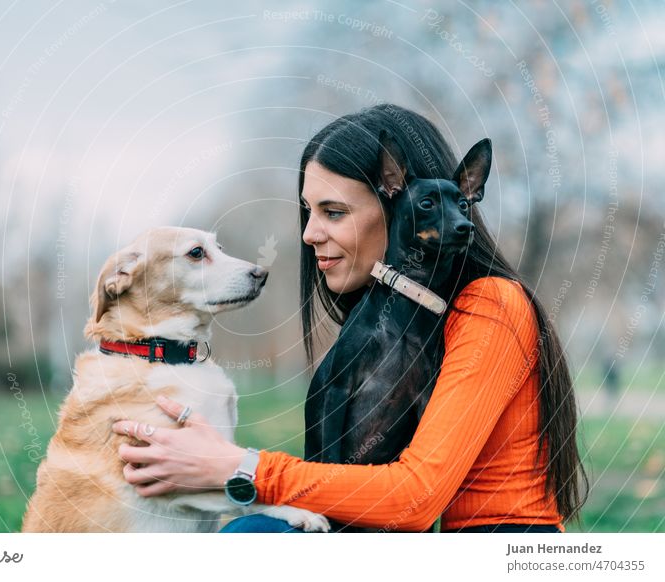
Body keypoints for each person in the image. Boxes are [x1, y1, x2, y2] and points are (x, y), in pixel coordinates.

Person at [110, 104, 588, 533]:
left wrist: (239, 467)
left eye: (334, 212)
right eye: (308, 212)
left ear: (396, 197)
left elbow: (415, 497)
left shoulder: (491, 304)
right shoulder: (397, 321)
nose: (310, 234)